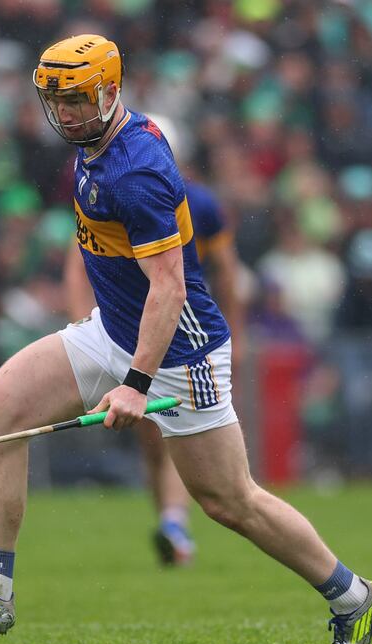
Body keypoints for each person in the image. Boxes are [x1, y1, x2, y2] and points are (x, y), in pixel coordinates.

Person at [0, 35, 372, 644]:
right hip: (113, 329)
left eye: (81, 100)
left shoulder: (133, 171)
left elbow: (169, 289)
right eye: (58, 102)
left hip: (179, 356)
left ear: (111, 91)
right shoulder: (102, 141)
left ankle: (353, 597)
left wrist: (136, 385)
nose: (69, 114)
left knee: (229, 500)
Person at [64, 138, 244, 565]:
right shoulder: (115, 183)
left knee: (179, 439)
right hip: (129, 332)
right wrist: (83, 325)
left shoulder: (195, 202)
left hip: (180, 338)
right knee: (150, 439)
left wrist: (235, 331)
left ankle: (176, 525)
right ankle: (170, 521)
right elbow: (80, 260)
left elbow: (224, 272)